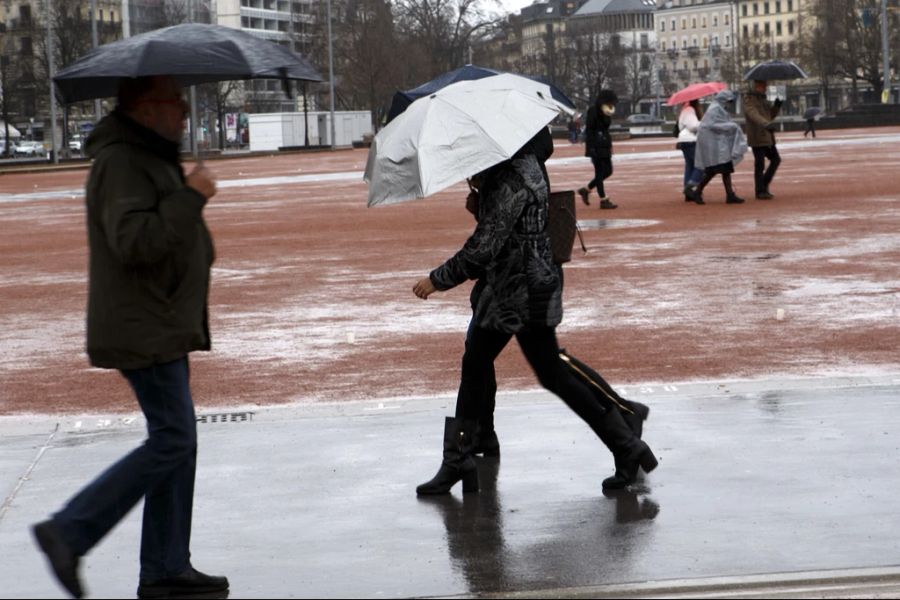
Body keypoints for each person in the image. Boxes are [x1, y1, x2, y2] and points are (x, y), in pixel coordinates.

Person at [31, 75, 228, 600]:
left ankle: (166, 566)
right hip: (145, 323)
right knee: (174, 438)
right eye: (174, 102)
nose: (184, 110)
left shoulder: (145, 155)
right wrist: (190, 195)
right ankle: (69, 530)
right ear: (145, 109)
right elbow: (135, 241)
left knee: (178, 443)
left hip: (159, 320)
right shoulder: (122, 162)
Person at [412, 130, 657, 496]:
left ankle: (626, 443)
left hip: (519, 289)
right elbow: (507, 229)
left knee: (538, 369)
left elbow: (485, 245)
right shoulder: (522, 165)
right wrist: (482, 198)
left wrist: (437, 280)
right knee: (491, 362)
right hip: (523, 283)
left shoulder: (511, 175)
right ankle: (625, 442)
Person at [688, 90, 748, 205]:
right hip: (714, 145)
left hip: (717, 144)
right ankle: (699, 191)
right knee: (714, 170)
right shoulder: (715, 109)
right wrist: (730, 126)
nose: (729, 104)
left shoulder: (718, 108)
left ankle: (729, 194)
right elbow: (711, 125)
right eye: (728, 101)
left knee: (724, 169)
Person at [578, 89, 618, 209]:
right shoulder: (593, 111)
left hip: (604, 144)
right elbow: (590, 130)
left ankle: (586, 189)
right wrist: (591, 148)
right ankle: (603, 199)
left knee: (608, 171)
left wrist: (609, 145)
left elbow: (606, 129)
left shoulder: (605, 111)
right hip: (596, 145)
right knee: (599, 172)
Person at [743, 79, 782, 200]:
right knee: (760, 165)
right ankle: (760, 191)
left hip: (767, 135)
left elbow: (769, 115)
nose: (765, 88)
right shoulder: (749, 100)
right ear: (756, 86)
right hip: (757, 136)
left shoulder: (763, 99)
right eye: (762, 86)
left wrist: (776, 106)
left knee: (776, 160)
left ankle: (763, 185)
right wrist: (766, 124)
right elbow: (753, 115)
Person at [676, 99, 705, 204]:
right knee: (700, 166)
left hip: (683, 141)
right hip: (691, 141)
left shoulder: (684, 110)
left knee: (690, 166)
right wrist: (702, 123)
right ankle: (691, 187)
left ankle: (688, 192)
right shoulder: (690, 110)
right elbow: (693, 126)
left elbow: (681, 127)